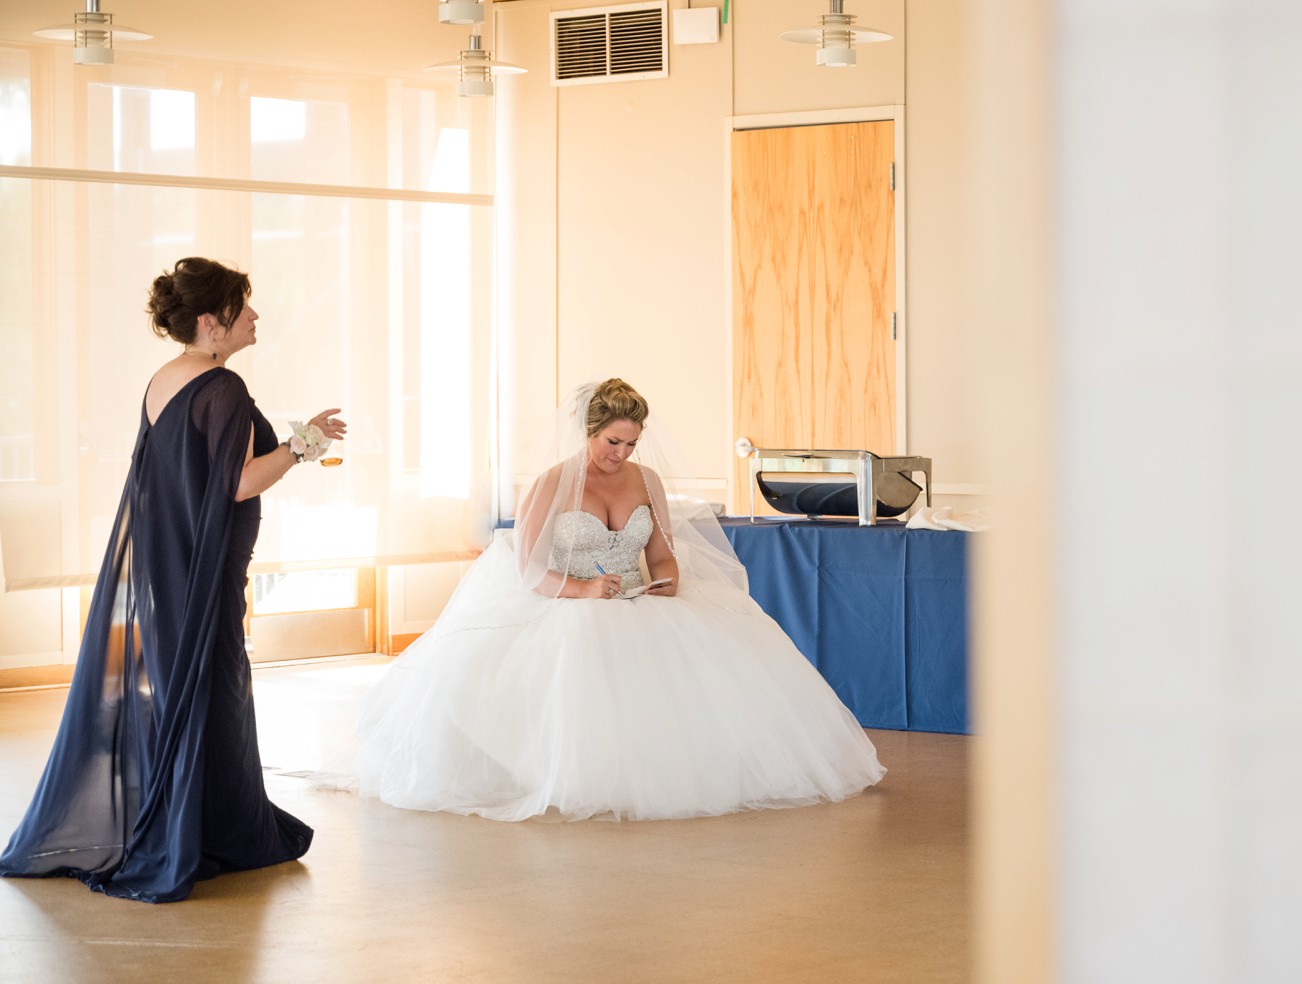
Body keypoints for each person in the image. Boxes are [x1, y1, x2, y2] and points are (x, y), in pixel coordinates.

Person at [356, 379, 885, 821]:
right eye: (612, 442)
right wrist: (583, 589)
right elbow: (528, 569)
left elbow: (661, 554)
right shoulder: (551, 484)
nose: (622, 454)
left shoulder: (646, 481)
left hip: (633, 599)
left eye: (631, 444)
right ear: (589, 431)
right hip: (565, 601)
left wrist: (666, 580)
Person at [0, 257, 347, 902]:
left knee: (191, 696)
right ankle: (211, 832)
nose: (255, 316)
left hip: (169, 565)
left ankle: (196, 821)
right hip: (203, 571)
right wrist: (304, 445)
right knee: (217, 693)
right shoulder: (223, 389)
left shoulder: (165, 377)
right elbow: (237, 483)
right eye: (244, 307)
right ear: (212, 322)